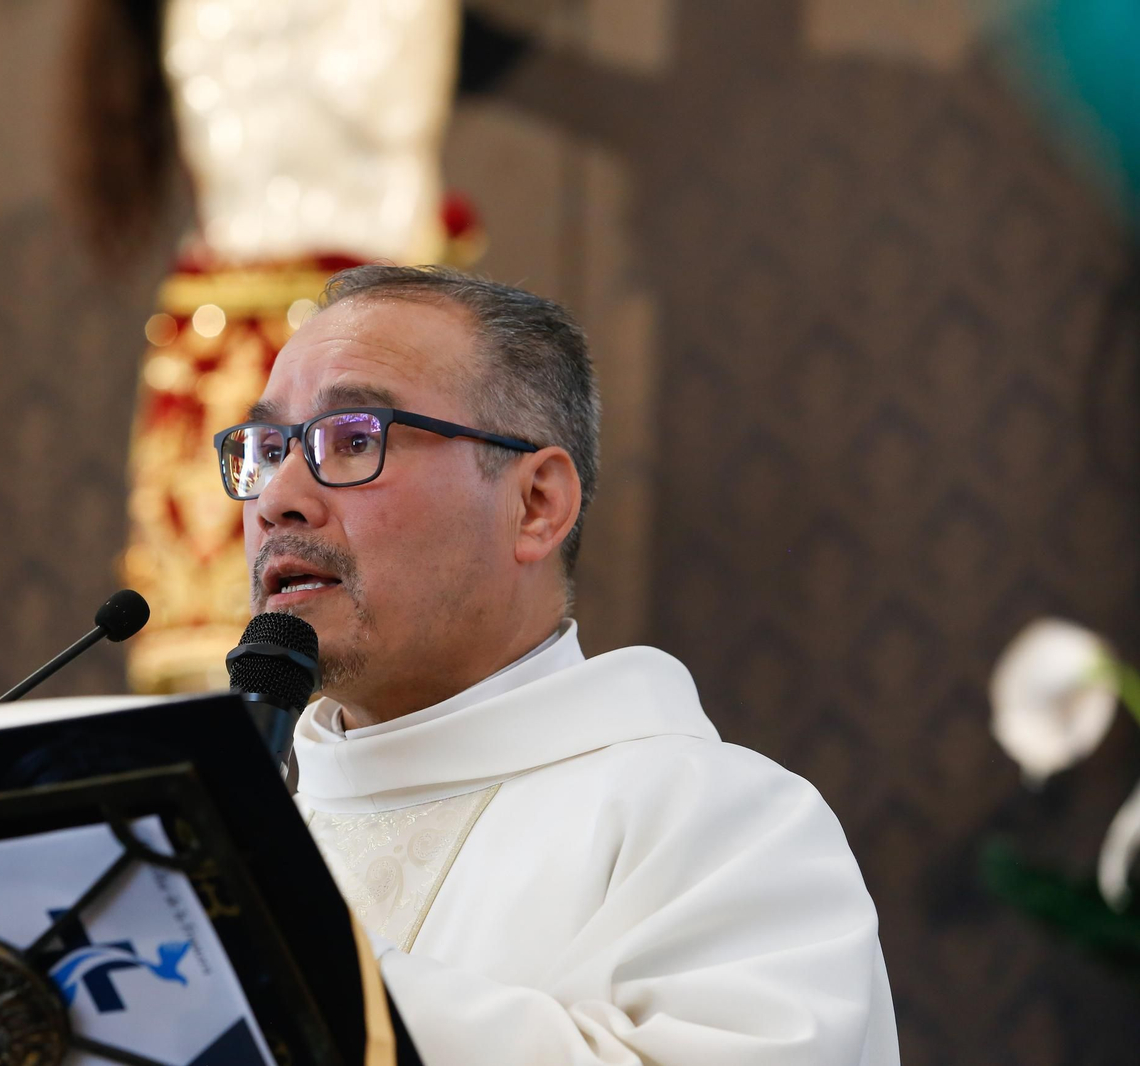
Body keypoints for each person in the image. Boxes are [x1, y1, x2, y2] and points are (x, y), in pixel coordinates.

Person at [212, 264, 899, 1065]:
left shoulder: (723, 822)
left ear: (535, 504)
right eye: (265, 449)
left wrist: (304, 959)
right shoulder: (214, 843)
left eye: (355, 438)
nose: (276, 499)